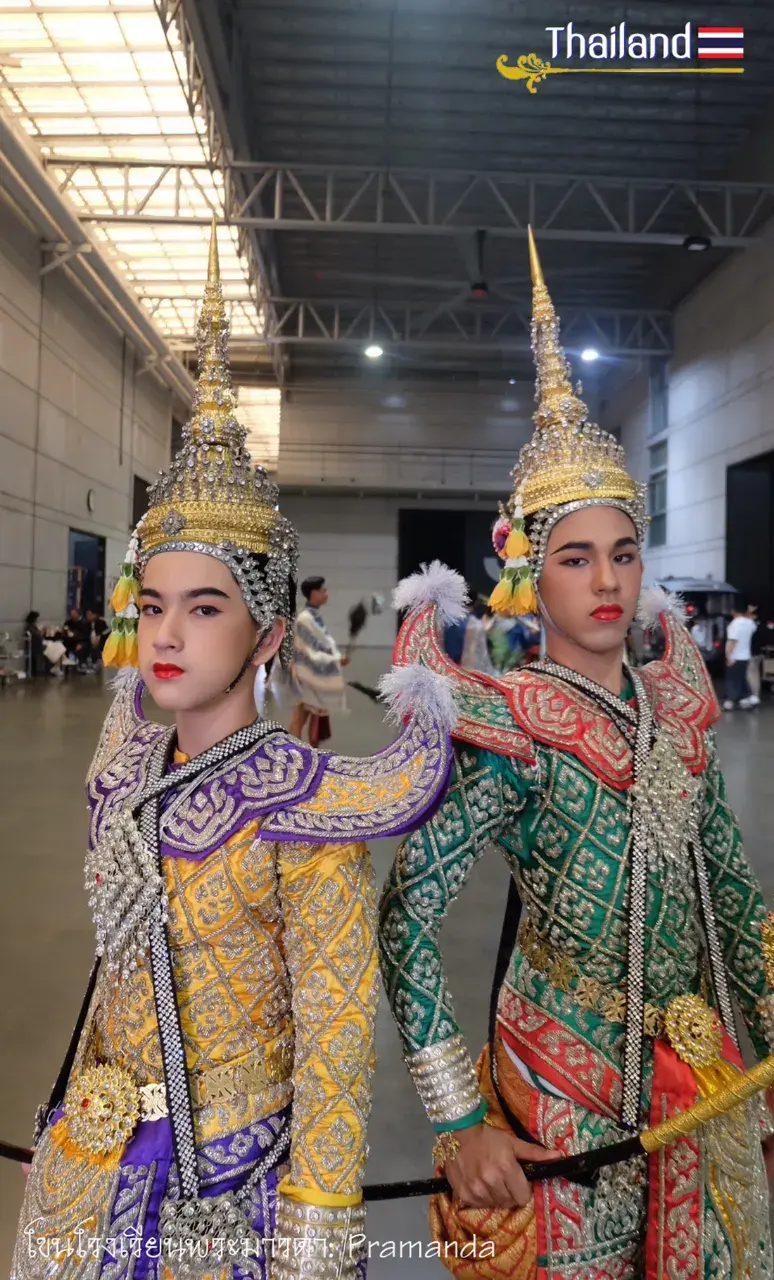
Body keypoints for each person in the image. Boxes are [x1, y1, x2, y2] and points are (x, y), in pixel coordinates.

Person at [11, 225, 453, 1280]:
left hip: (239, 1184)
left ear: (262, 635)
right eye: (154, 603)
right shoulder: (121, 775)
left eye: (202, 607)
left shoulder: (307, 810)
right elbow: (114, 986)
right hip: (104, 1163)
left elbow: (338, 1044)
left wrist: (313, 1230)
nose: (165, 633)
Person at [381, 230, 774, 1279]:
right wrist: (460, 1117)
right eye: (573, 557)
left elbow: (731, 897)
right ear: (531, 577)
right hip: (560, 1082)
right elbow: (408, 915)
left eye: (624, 551)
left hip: (698, 1077)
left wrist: (768, 1039)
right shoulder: (511, 729)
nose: (605, 579)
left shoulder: (680, 711)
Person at [287, 576, 349, 744]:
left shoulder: (313, 616)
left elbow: (323, 644)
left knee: (309, 716)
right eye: (323, 590)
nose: (326, 593)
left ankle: (304, 753)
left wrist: (337, 657)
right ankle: (298, 753)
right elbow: (311, 650)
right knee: (302, 716)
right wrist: (336, 658)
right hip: (306, 674)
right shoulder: (306, 619)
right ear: (314, 593)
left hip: (312, 673)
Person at [724, 602, 759, 710]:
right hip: (745, 656)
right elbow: (753, 627)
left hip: (735, 656)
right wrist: (749, 612)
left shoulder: (734, 624)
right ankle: (751, 697)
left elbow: (732, 641)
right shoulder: (750, 623)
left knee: (732, 680)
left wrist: (729, 656)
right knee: (741, 678)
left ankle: (730, 701)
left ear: (733, 612)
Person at [23, 611, 45, 677]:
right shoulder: (30, 627)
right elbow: (37, 634)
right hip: (34, 646)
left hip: (34, 646)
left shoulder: (30, 627)